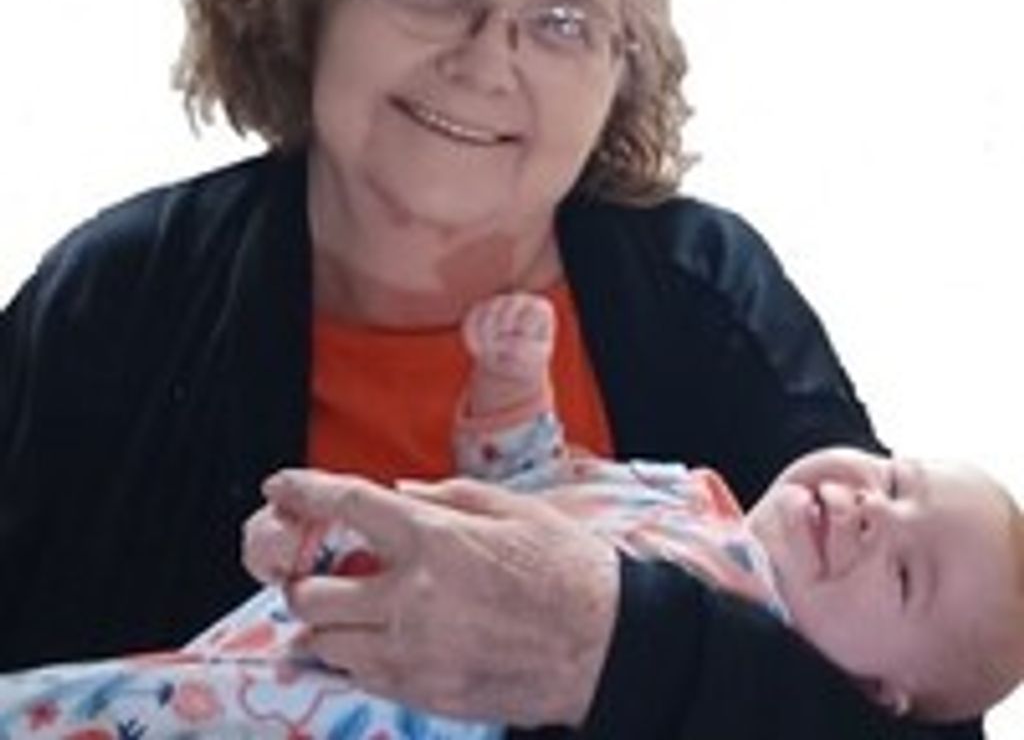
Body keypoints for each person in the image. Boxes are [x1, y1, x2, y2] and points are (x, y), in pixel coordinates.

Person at [0, 0, 989, 739]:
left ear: (621, 72)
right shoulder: (120, 292)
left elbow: (927, 709)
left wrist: (610, 650)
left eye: (561, 21)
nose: (484, 58)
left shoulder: (702, 288)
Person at [2, 291, 1020, 738]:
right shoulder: (688, 493)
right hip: (263, 658)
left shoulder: (758, 637)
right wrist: (509, 387)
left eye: (907, 573)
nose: (873, 516)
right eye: (896, 483)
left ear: (877, 696)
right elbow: (530, 483)